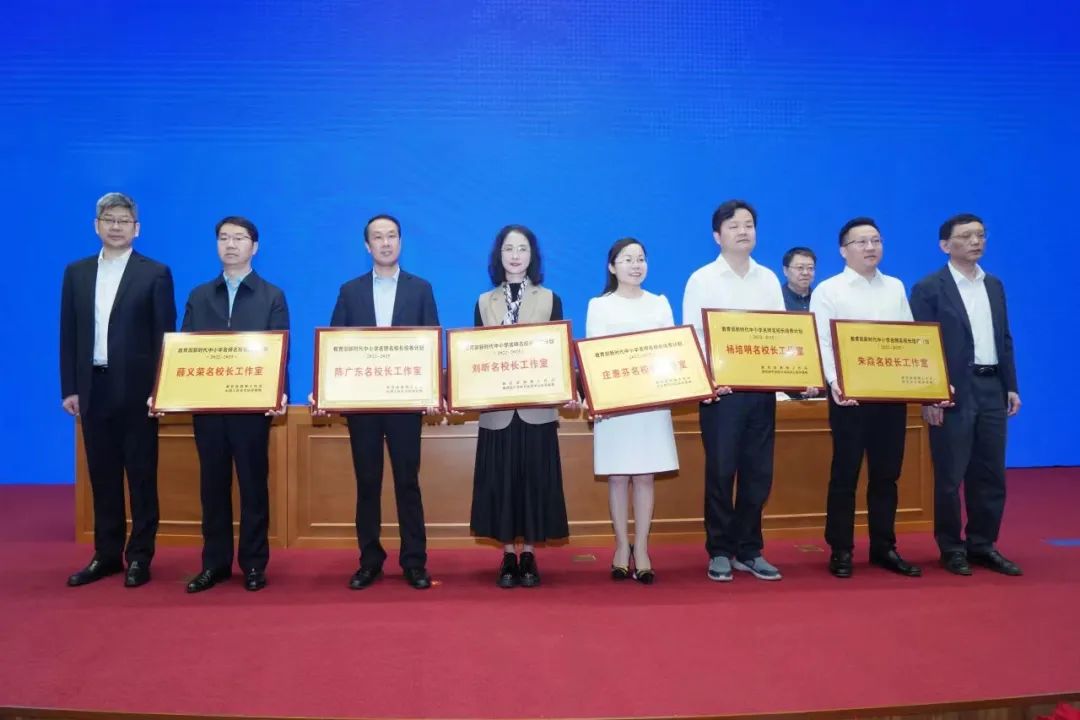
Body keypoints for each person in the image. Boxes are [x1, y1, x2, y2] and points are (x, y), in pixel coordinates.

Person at [682, 199, 815, 583]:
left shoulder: (768, 279)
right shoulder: (702, 279)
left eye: (749, 225)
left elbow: (781, 335)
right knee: (721, 472)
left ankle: (749, 549)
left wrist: (799, 373)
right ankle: (719, 550)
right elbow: (694, 336)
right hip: (722, 395)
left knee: (758, 473)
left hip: (761, 392)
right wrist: (708, 380)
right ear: (717, 235)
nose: (743, 231)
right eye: (734, 225)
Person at [60, 192, 176, 588]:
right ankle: (106, 554)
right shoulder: (76, 273)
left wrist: (161, 390)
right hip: (93, 387)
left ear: (136, 229)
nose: (115, 226)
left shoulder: (155, 273)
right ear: (96, 225)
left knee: (141, 475)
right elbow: (68, 333)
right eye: (108, 219)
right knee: (102, 475)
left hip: (138, 391)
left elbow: (164, 337)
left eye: (123, 220)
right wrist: (70, 387)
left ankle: (140, 556)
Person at [810, 217, 929, 579]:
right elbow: (822, 341)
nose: (870, 247)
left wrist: (926, 382)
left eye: (876, 240)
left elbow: (910, 338)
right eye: (861, 242)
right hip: (850, 399)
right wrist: (836, 383)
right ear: (843, 250)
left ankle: (884, 547)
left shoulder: (895, 287)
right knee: (845, 474)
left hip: (890, 396)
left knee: (887, 474)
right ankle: (841, 549)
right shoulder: (829, 290)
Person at [326, 214, 439, 590]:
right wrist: (327, 388)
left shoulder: (420, 289)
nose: (386, 243)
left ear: (400, 242)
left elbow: (431, 341)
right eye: (378, 237)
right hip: (363, 407)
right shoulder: (350, 291)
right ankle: (369, 561)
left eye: (392, 236)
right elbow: (336, 345)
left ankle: (414, 562)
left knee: (408, 482)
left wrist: (432, 389)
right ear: (367, 245)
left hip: (405, 405)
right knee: (367, 483)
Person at [180, 216, 289, 593]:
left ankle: (254, 564)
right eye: (224, 238)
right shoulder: (199, 295)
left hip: (251, 409)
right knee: (212, 487)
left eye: (239, 238)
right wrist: (171, 390)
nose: (231, 244)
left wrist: (279, 393)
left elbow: (281, 349)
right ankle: (215, 564)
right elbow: (184, 349)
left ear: (254, 247)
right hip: (208, 408)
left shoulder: (271, 295)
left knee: (253, 486)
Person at [910, 213, 1022, 576]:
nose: (976, 242)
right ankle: (951, 546)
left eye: (980, 235)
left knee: (990, 473)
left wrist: (1011, 385)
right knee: (949, 475)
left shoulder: (994, 285)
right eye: (966, 236)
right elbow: (922, 346)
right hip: (953, 391)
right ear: (945, 245)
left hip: (991, 386)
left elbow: (1004, 338)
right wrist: (931, 395)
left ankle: (983, 544)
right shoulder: (929, 287)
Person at [470, 224, 571, 588]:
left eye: (522, 249)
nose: (515, 255)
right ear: (499, 256)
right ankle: (507, 556)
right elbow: (475, 355)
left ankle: (528, 553)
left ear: (532, 256)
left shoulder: (550, 299)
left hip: (536, 409)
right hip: (497, 411)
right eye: (509, 249)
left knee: (533, 482)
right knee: (502, 483)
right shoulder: (484, 302)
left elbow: (559, 353)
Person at [585, 238, 678, 584]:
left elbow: (672, 351)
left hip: (650, 403)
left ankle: (642, 548)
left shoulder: (659, 304)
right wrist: (599, 399)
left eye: (641, 259)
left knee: (644, 476)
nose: (636, 265)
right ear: (612, 267)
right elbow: (595, 356)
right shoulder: (599, 306)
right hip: (615, 403)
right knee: (618, 475)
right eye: (627, 259)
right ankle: (622, 547)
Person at [781, 247, 816, 311]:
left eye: (810, 268)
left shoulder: (820, 298)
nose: (805, 273)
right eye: (800, 267)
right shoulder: (778, 298)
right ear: (785, 270)